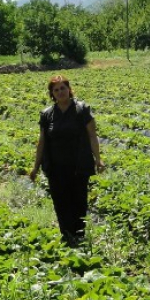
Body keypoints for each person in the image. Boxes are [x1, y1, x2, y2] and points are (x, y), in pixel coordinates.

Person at [30, 75, 104, 245]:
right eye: (56, 90)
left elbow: (92, 136)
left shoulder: (82, 110)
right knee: (61, 202)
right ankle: (67, 236)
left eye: (63, 88)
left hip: (78, 165)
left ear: (69, 90)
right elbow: (41, 142)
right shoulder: (47, 114)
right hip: (56, 168)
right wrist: (35, 167)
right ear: (52, 94)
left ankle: (79, 236)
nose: (60, 92)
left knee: (79, 201)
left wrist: (98, 160)